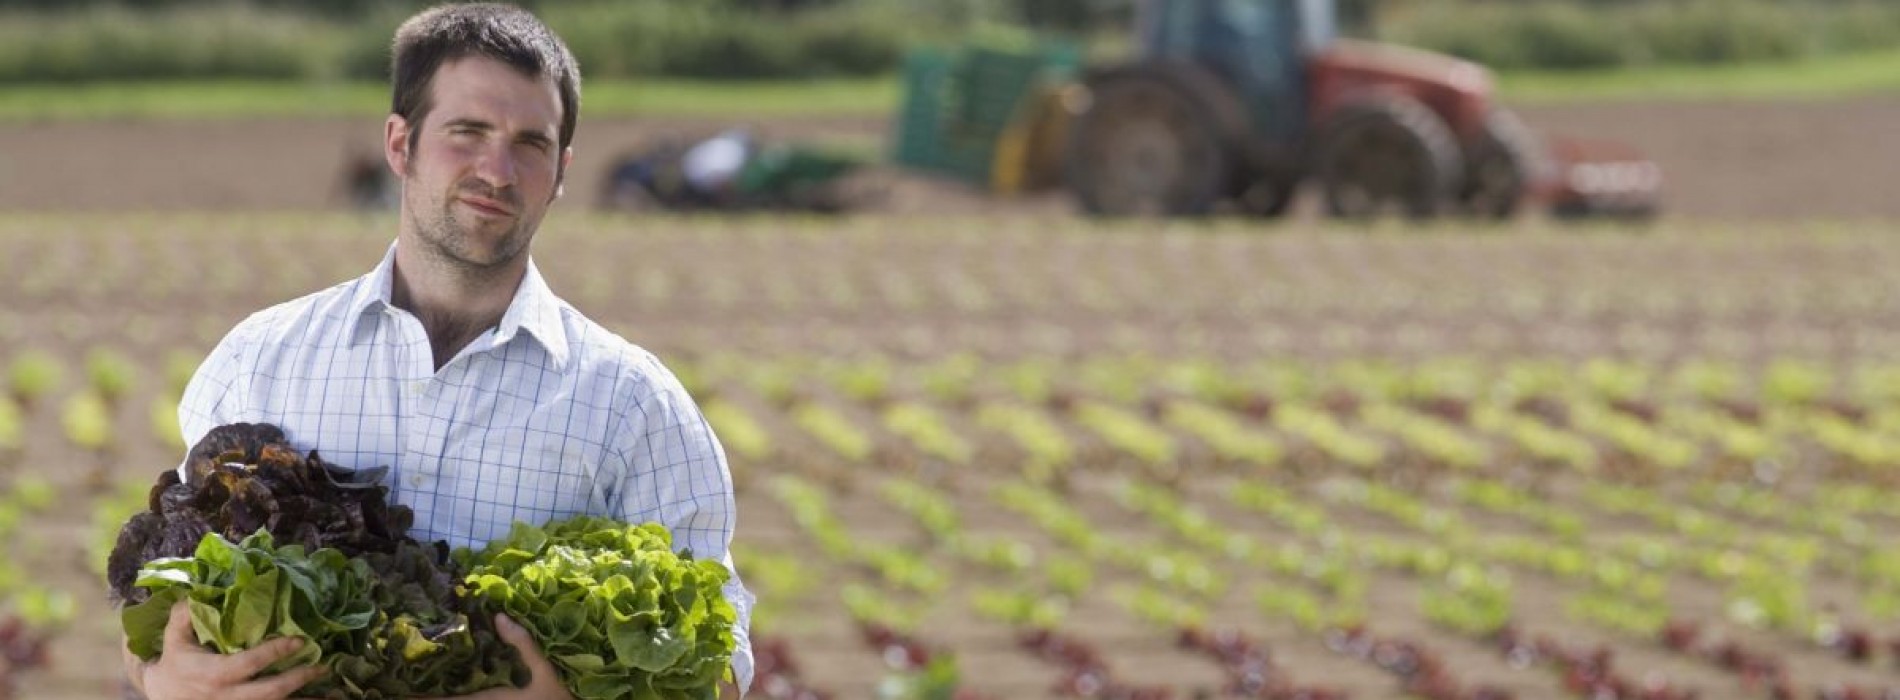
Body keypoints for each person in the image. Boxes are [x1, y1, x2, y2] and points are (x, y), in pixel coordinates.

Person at [118, 4, 753, 699]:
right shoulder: (260, 362)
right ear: (400, 144)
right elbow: (162, 598)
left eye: (531, 143)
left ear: (563, 170)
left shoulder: (632, 404)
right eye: (468, 132)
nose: (498, 169)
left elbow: (716, 661)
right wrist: (159, 679)